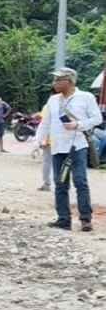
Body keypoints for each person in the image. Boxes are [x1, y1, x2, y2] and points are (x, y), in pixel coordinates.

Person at [39, 67, 101, 232]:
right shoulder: (53, 100)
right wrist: (41, 140)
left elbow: (97, 118)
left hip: (77, 146)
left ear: (70, 81)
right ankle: (63, 219)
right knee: (60, 184)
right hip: (58, 147)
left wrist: (78, 125)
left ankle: (85, 220)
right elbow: (45, 122)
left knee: (80, 182)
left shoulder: (86, 97)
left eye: (58, 80)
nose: (55, 83)